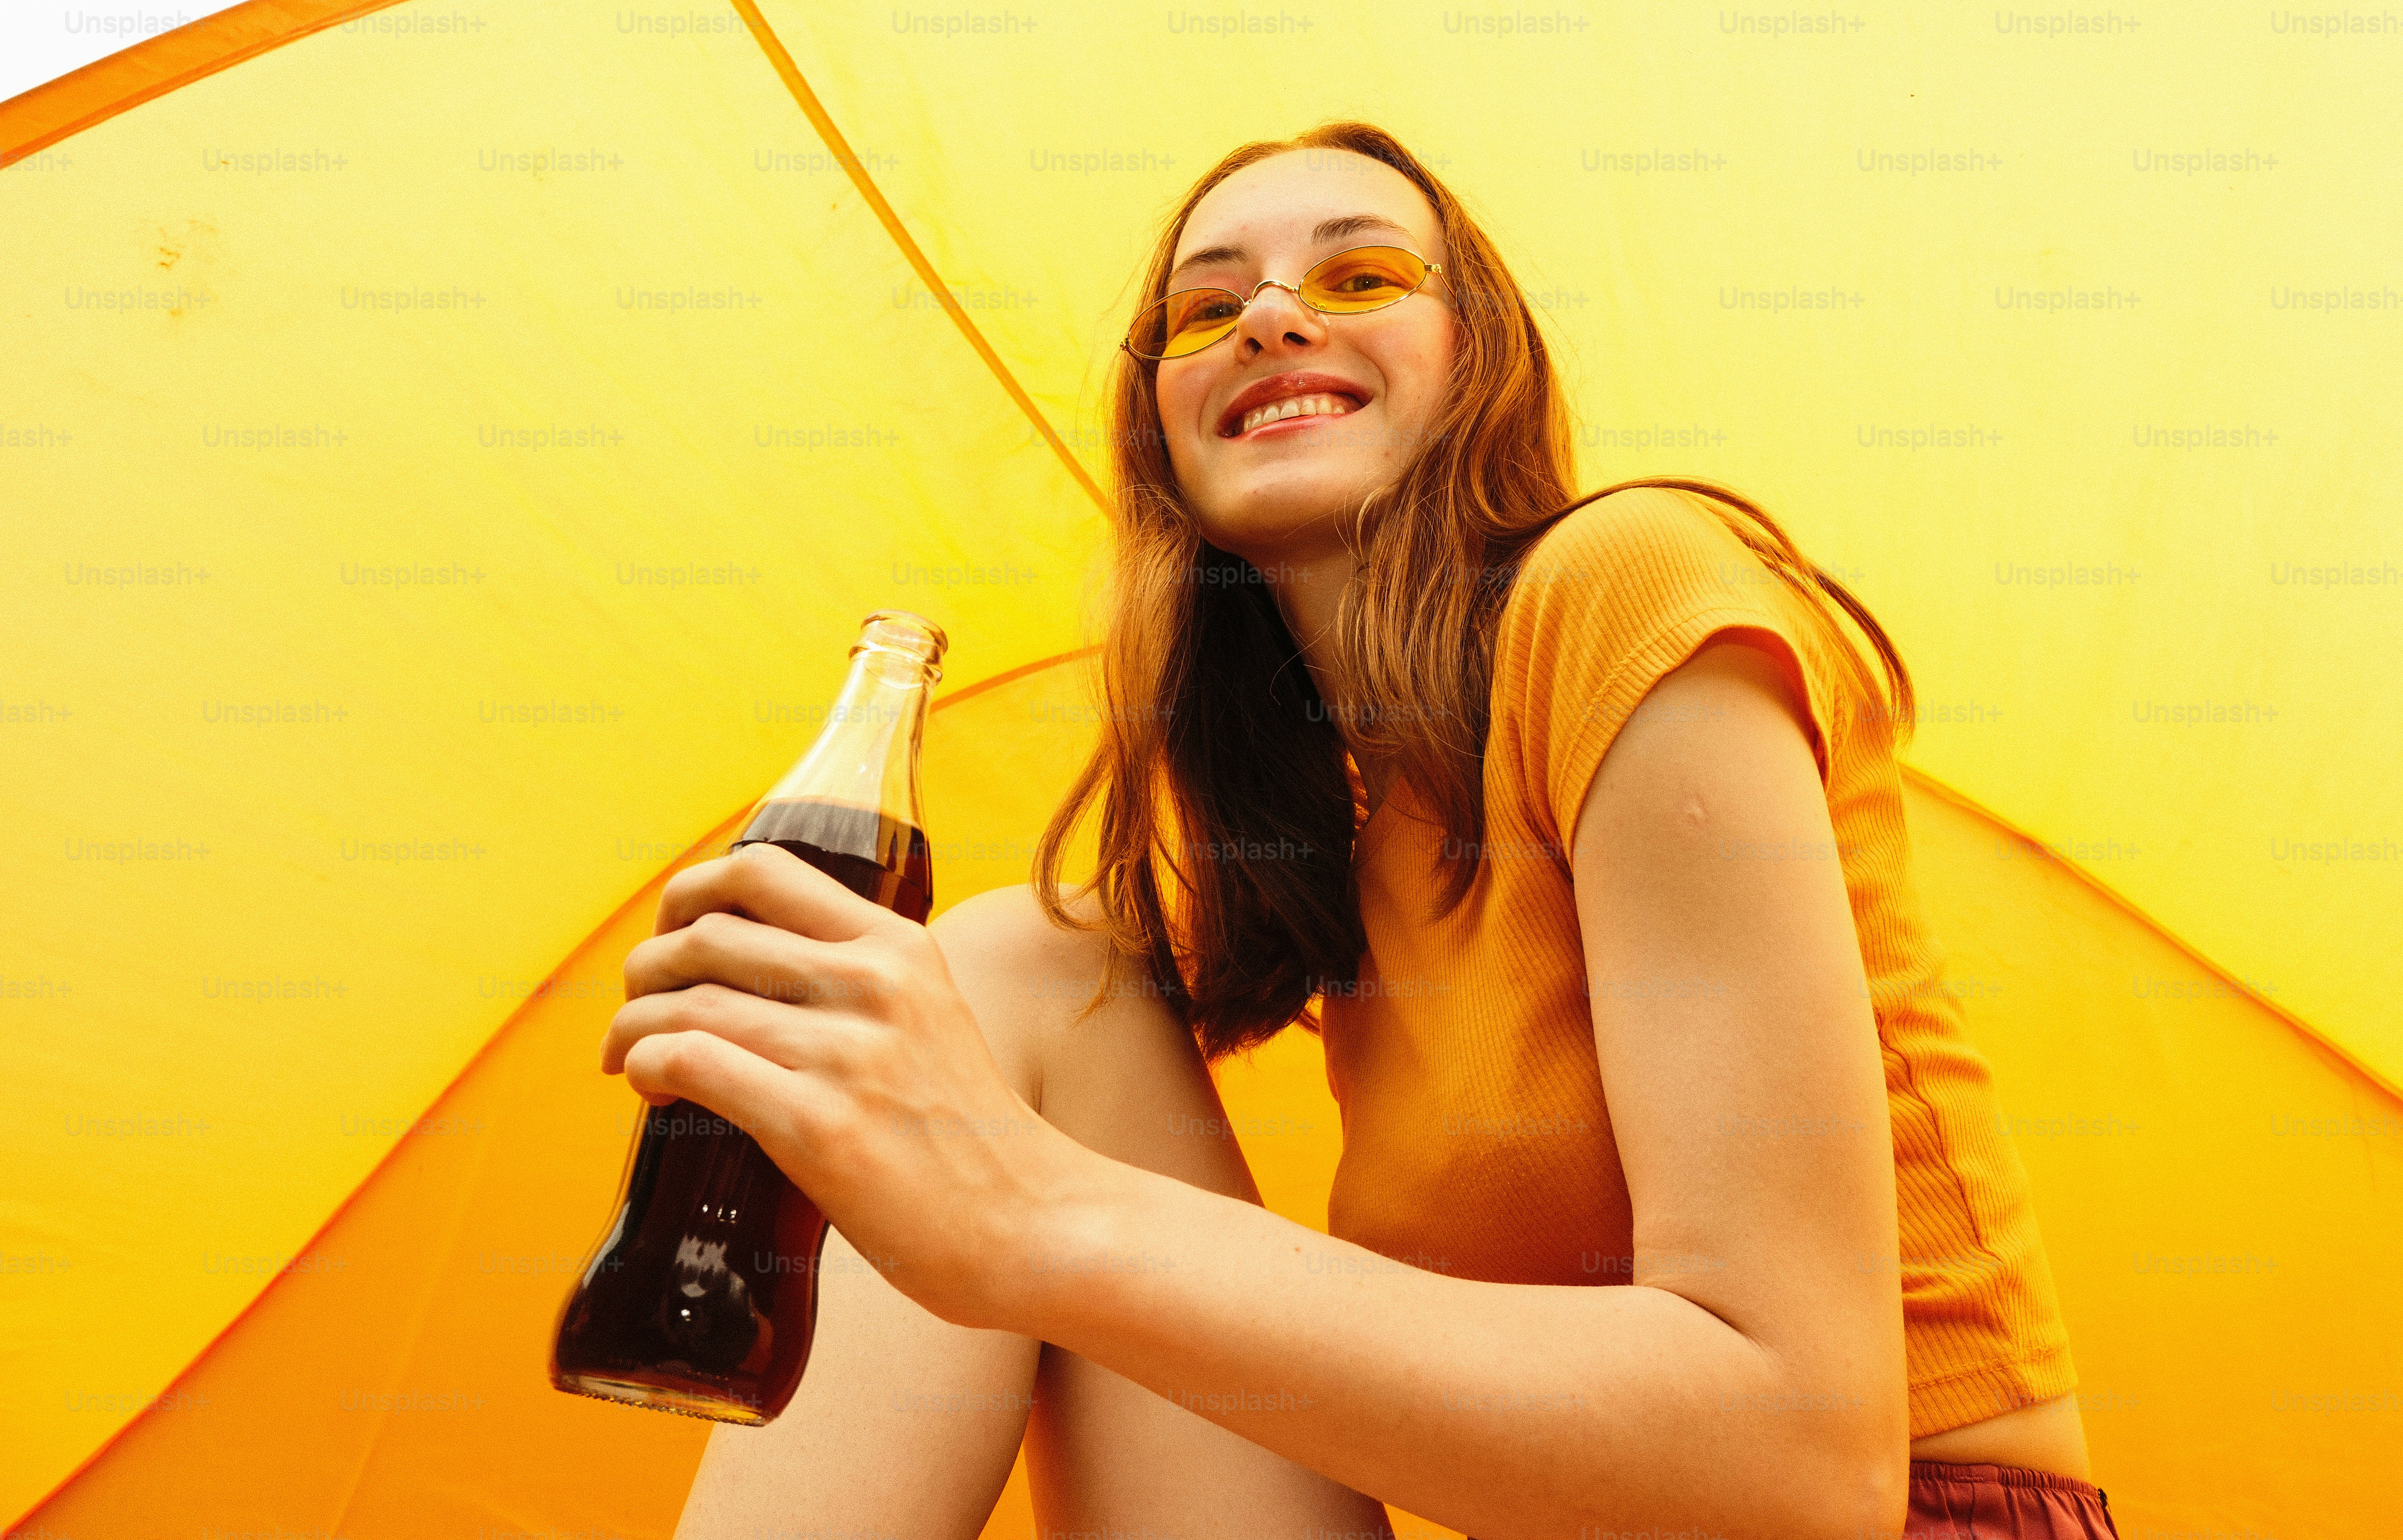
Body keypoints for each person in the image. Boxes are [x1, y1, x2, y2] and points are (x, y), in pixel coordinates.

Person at [604, 122, 2118, 1540]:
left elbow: (1804, 1462)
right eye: (1208, 311)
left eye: (1360, 277)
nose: (1272, 318)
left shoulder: (1625, 585)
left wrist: (1024, 1207)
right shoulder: (1366, 842)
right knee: (1019, 968)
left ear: (1481, 365)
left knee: (1011, 1054)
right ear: (1158, 434)